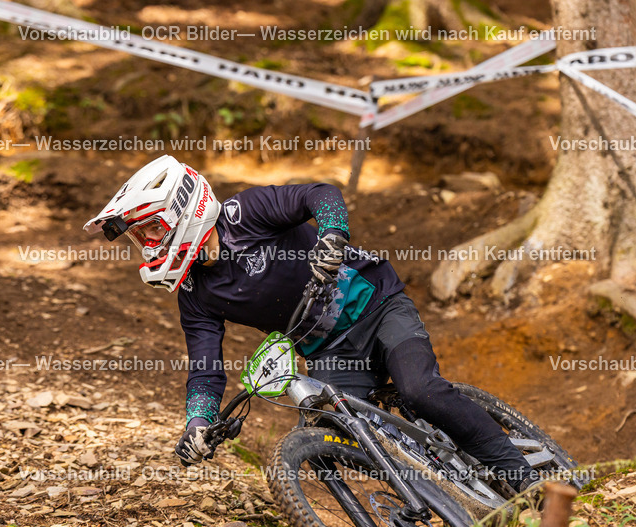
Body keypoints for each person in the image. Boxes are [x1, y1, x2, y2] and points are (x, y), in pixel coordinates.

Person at [84, 155, 539, 491]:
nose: (146, 244)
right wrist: (197, 423)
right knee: (328, 440)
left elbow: (319, 193)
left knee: (420, 389)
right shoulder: (194, 293)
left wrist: (332, 235)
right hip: (329, 352)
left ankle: (522, 476)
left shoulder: (247, 213)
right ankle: (446, 493)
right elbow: (205, 367)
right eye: (139, 238)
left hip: (379, 307)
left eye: (150, 230)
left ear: (181, 210)